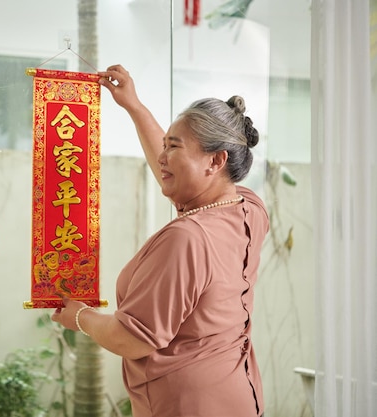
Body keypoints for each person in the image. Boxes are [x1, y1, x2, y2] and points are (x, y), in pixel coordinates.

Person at [52, 64, 268, 417]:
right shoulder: (250, 211)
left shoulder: (186, 238)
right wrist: (134, 107)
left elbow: (133, 338)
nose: (162, 158)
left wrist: (81, 317)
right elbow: (184, 183)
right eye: (164, 145)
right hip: (240, 396)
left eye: (174, 147)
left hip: (188, 406)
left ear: (216, 160)